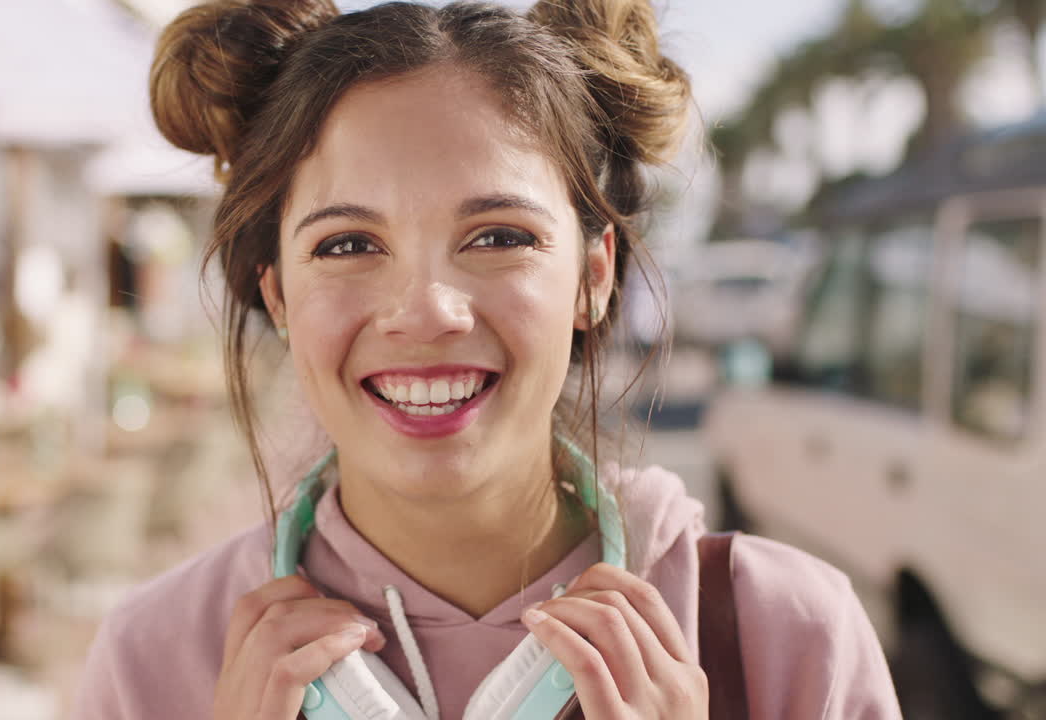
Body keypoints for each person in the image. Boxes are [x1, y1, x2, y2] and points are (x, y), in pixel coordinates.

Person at [72, 0, 902, 717]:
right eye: (349, 243)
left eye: (499, 237)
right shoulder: (153, 660)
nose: (426, 313)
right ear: (279, 296)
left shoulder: (788, 638)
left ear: (593, 276)